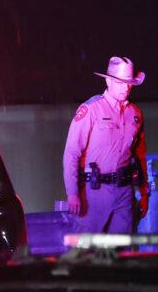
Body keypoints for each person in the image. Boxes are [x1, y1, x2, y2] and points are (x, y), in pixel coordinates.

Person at [62, 56, 150, 233]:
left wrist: (144, 190)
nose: (127, 87)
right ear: (109, 81)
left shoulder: (135, 114)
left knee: (121, 251)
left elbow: (140, 156)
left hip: (124, 192)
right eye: (121, 82)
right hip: (94, 193)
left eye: (129, 82)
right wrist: (72, 193)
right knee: (89, 251)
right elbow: (72, 153)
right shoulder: (91, 110)